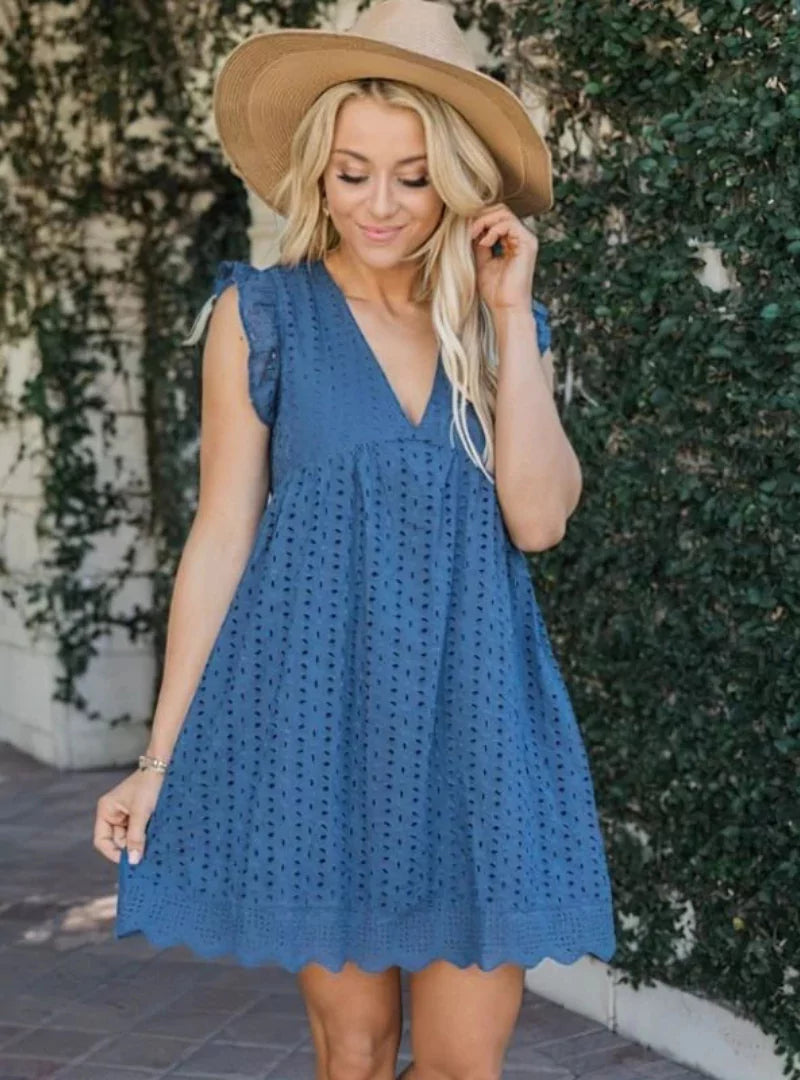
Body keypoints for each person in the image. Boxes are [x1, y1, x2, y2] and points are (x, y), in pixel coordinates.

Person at [93, 1, 616, 1077]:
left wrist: (508, 316)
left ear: (456, 181)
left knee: (465, 1064)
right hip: (319, 731)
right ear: (316, 177)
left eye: (413, 177)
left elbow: (538, 518)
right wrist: (156, 760)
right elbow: (220, 537)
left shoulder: (499, 327)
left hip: (476, 726)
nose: (380, 204)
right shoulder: (262, 316)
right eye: (352, 172)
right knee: (358, 1052)